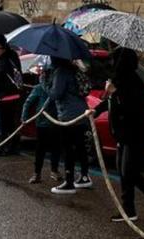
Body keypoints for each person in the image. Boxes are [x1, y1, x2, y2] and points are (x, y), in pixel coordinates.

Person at [94, 45, 144, 223]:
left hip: (136, 133)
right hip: (122, 133)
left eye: (114, 60)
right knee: (123, 171)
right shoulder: (118, 79)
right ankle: (129, 210)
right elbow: (111, 102)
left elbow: (131, 107)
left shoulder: (134, 81)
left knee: (129, 171)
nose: (111, 63)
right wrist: (95, 110)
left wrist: (114, 93)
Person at [49, 56, 92, 194]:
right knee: (80, 147)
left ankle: (69, 181)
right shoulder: (75, 69)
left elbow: (56, 94)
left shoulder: (61, 72)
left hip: (68, 115)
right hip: (81, 112)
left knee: (68, 149)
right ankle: (84, 176)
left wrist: (44, 83)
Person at [22, 65, 61, 184]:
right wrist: (24, 117)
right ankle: (37, 173)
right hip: (43, 122)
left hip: (56, 121)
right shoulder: (39, 88)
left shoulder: (57, 89)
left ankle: (54, 170)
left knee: (56, 148)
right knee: (41, 149)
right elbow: (28, 102)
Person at [0, 35, 23, 156]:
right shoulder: (13, 56)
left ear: (3, 48)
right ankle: (13, 147)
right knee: (12, 124)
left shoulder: (2, 60)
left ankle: (3, 147)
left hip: (4, 97)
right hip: (15, 95)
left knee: (2, 124)